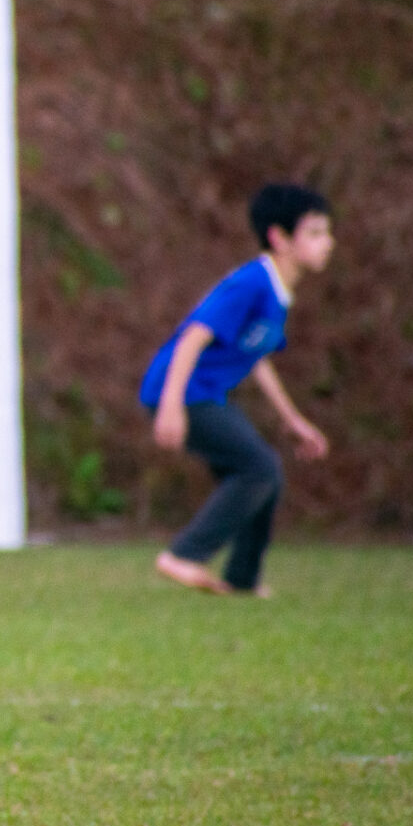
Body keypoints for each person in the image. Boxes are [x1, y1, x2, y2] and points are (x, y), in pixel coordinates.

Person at [140, 183, 335, 597]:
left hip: (203, 394)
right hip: (182, 391)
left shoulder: (278, 292)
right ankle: (182, 555)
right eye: (315, 233)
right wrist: (172, 406)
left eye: (327, 233)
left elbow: (255, 358)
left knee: (264, 476)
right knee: (258, 468)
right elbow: (193, 336)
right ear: (279, 238)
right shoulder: (252, 284)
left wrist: (293, 420)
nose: (328, 243)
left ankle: (241, 580)